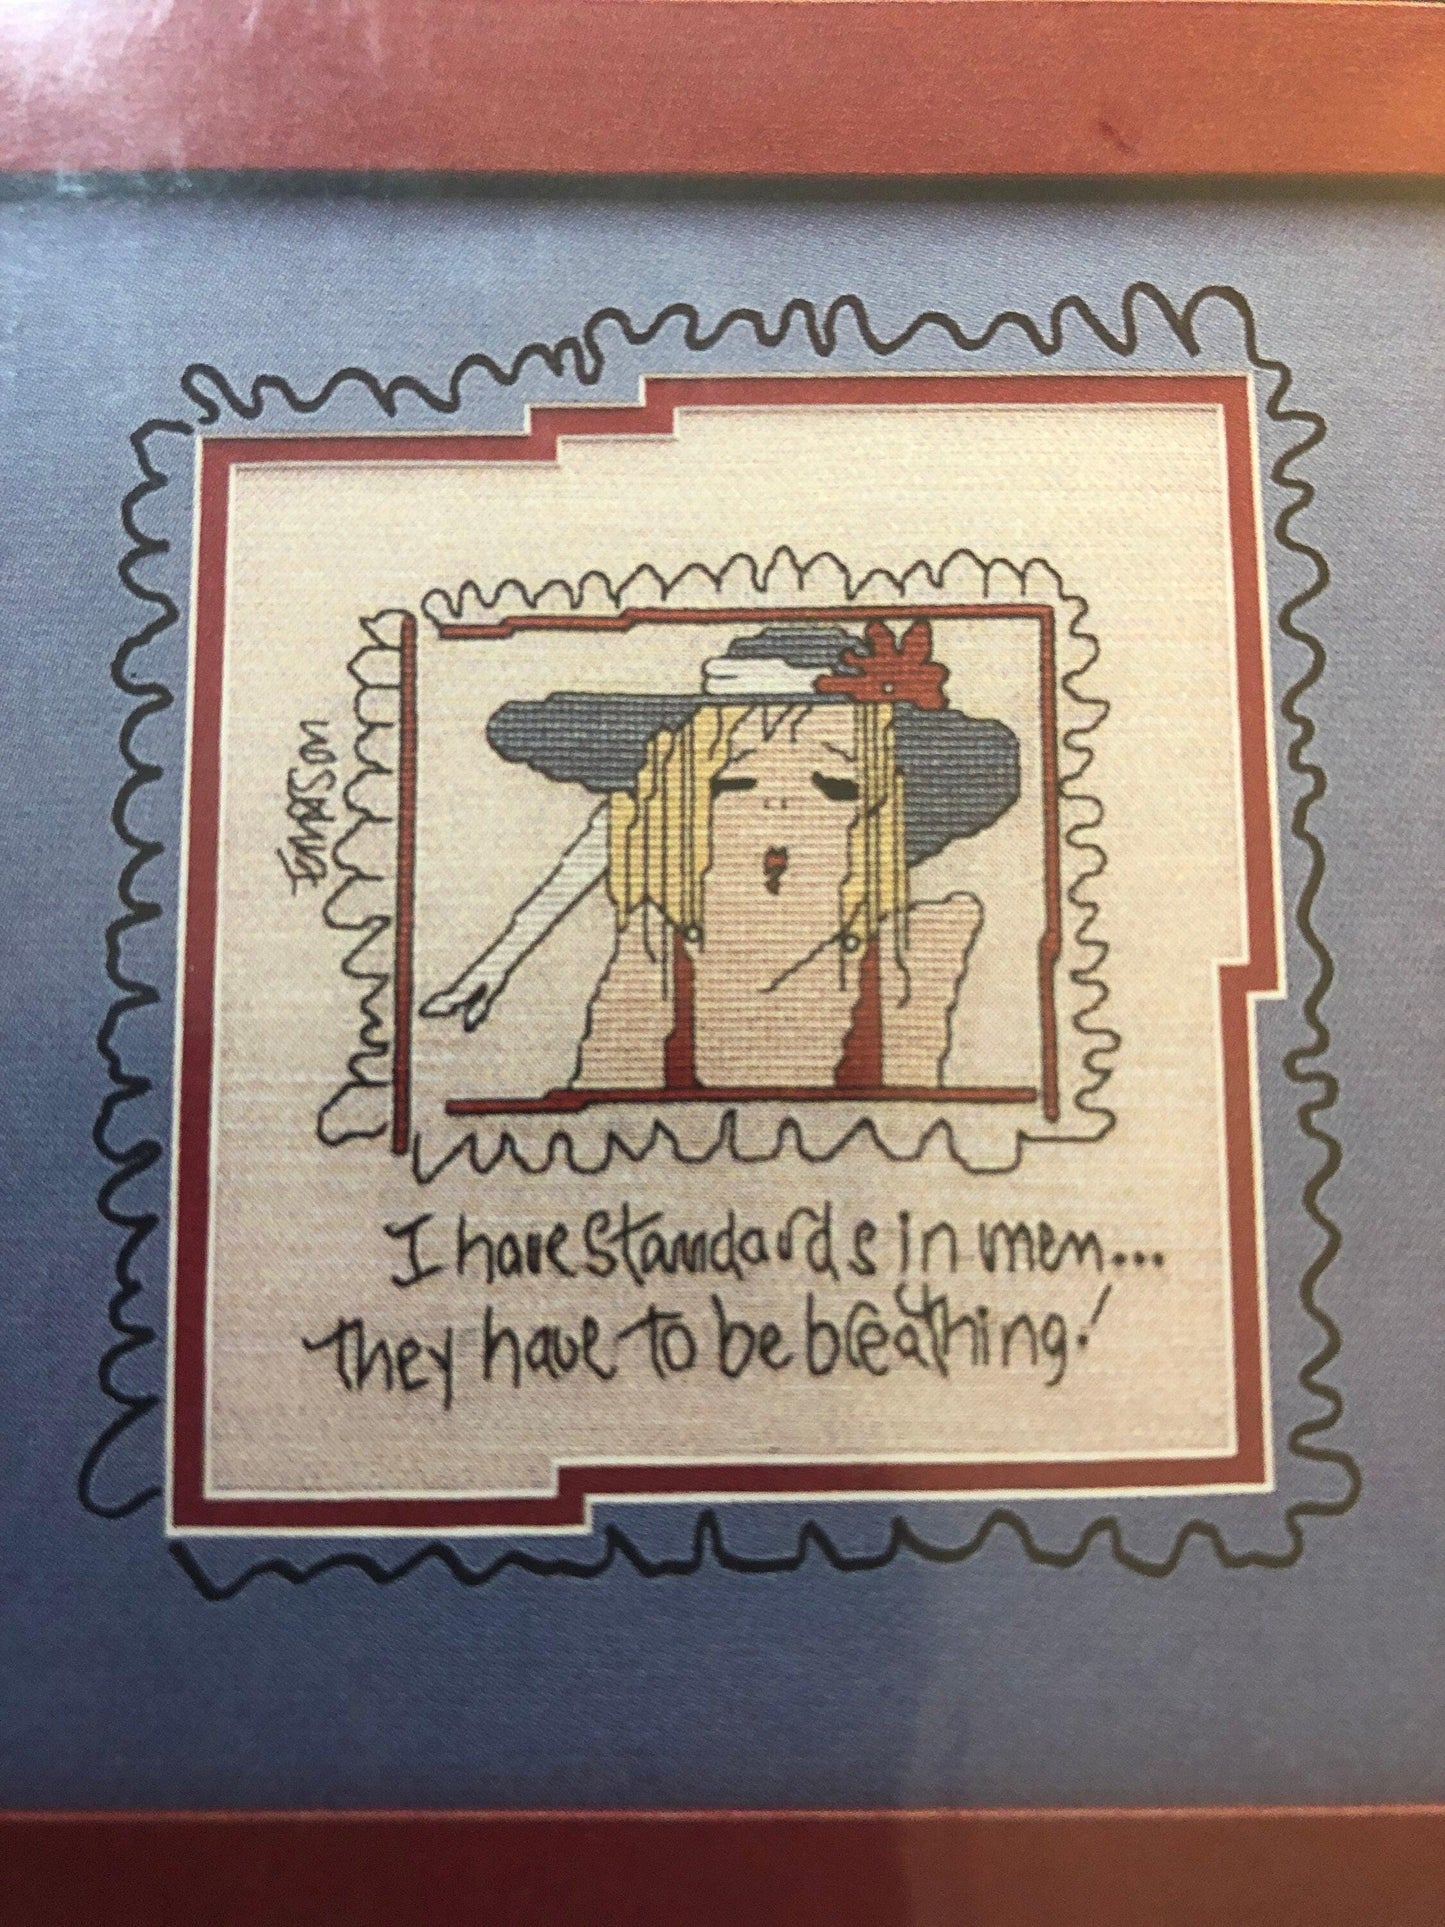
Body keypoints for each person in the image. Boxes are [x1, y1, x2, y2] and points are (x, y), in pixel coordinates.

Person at [422, 618, 1020, 1097]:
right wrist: (499, 960)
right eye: (734, 784)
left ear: (879, 811)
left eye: (834, 785)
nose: (779, 807)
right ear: (683, 809)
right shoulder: (655, 960)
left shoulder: (916, 953)